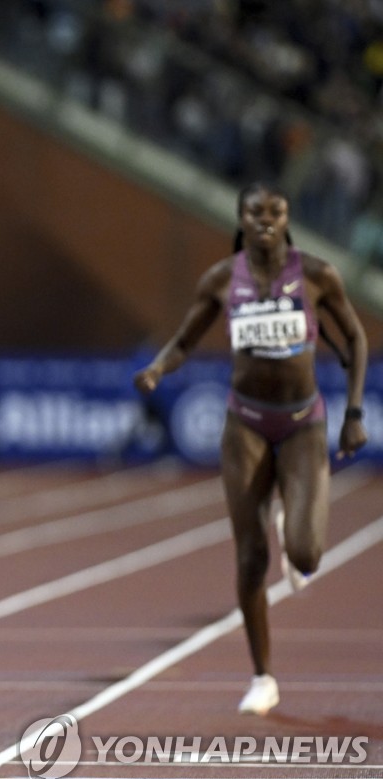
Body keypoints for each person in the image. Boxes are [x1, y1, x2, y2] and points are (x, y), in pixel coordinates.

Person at [133, 182, 368, 716]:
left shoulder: (317, 274)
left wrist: (352, 414)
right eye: (254, 212)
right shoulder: (221, 280)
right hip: (245, 424)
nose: (265, 219)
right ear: (240, 219)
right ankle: (263, 676)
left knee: (306, 554)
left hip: (304, 422)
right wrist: (157, 369)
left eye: (275, 210)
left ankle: (293, 527)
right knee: (249, 555)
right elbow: (186, 340)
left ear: (287, 217)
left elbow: (354, 337)